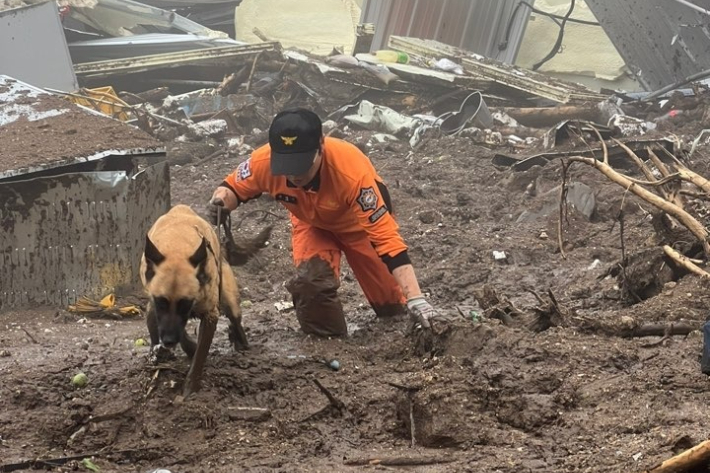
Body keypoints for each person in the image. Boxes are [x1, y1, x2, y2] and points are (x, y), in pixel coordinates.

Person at [207, 107, 435, 336]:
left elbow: (387, 240)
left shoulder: (352, 173)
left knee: (394, 307)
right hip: (311, 224)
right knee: (310, 283)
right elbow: (231, 188)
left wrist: (416, 298)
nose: (295, 176)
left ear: (321, 145)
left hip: (358, 228)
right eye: (286, 167)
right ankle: (328, 342)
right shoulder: (262, 162)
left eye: (302, 165)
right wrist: (220, 203)